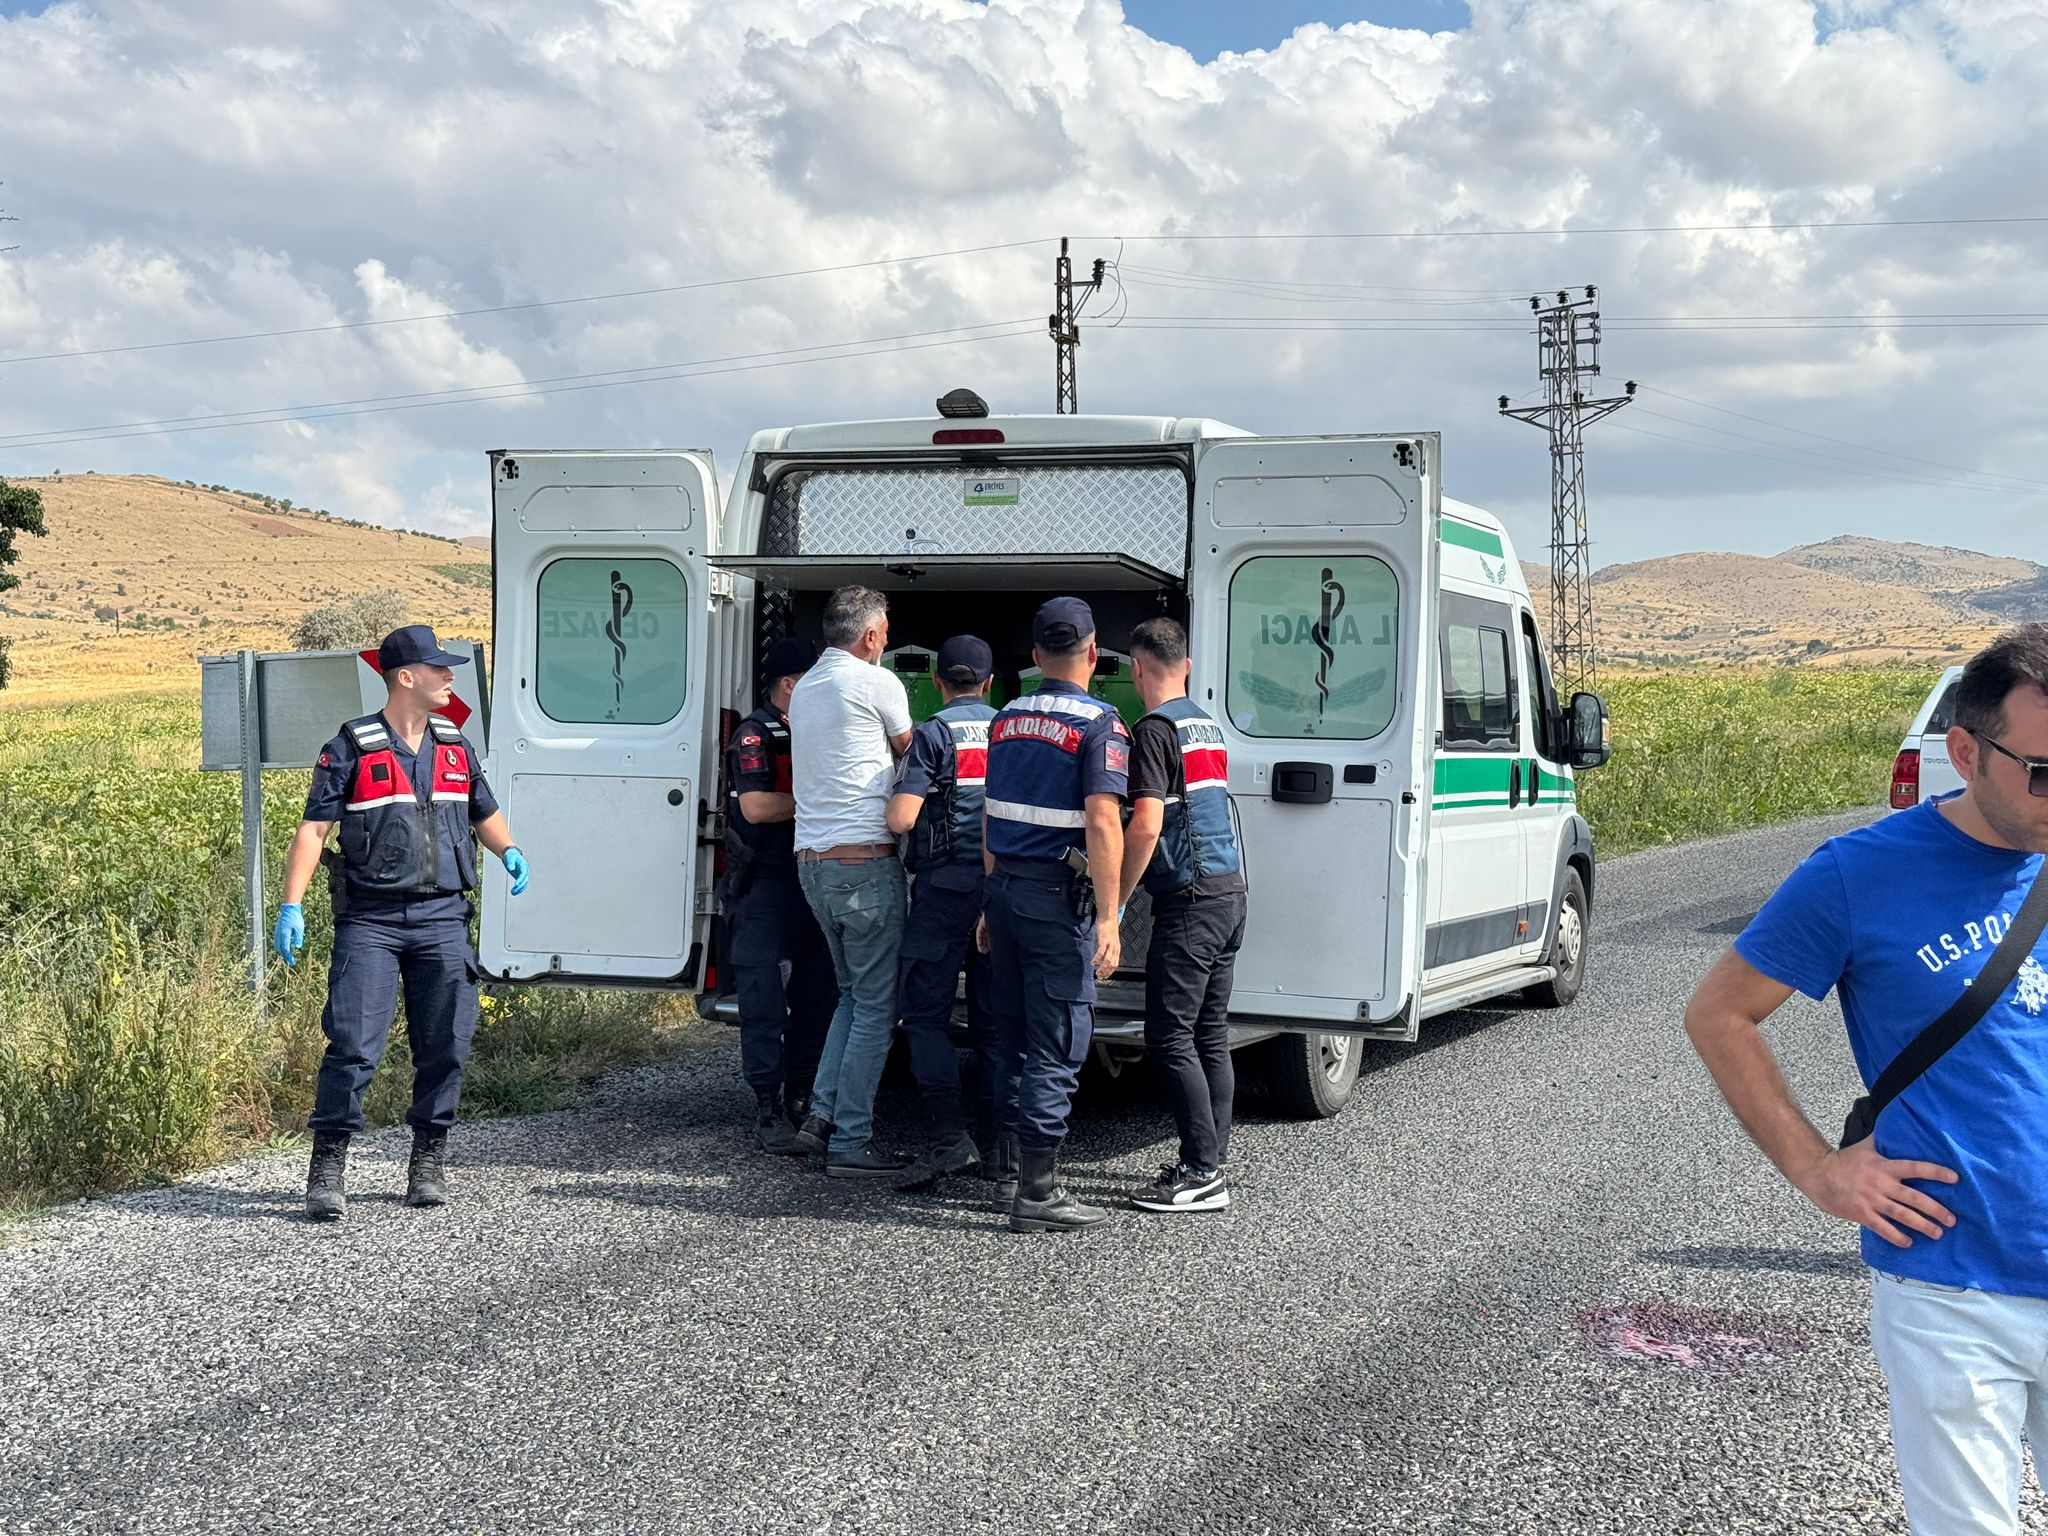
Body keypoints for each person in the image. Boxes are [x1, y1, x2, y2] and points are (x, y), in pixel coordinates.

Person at [1683, 623, 2048, 1535]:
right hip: (1955, 1289)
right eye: (2043, 771)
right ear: (1965, 751)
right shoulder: (1857, 875)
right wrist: (1819, 1170)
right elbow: (1720, 1013)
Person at [272, 625, 529, 1220]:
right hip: (371, 921)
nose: (450, 676)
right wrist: (291, 904)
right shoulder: (351, 747)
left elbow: (483, 813)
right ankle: (329, 1163)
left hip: (443, 916)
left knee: (446, 1046)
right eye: (439, 669)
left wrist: (509, 848)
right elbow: (314, 829)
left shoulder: (455, 744)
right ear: (405, 678)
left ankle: (428, 1160)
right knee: (354, 1046)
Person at [976, 596, 1128, 1233]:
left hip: (1005, 891)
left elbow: (991, 811)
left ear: (1035, 657)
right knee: (1059, 1038)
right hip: (1054, 903)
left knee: (1008, 1033)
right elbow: (1102, 820)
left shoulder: (1004, 718)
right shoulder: (1102, 724)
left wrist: (988, 901)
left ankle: (1008, 1166)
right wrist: (1112, 917)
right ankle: (1038, 1192)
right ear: (1093, 652)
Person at [1116, 616, 1246, 1214]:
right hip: (1230, 893)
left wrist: (1115, 903)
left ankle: (1200, 1173)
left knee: (1170, 1036)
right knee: (1209, 1034)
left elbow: (1145, 824)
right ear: (1186, 665)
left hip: (1190, 901)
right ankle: (1212, 1161)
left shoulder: (1154, 732)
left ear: (1137, 668)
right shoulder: (1203, 723)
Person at [787, 586, 914, 1179]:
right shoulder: (875, 682)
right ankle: (852, 1143)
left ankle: (820, 1120)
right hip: (863, 865)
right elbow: (915, 752)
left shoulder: (807, 686)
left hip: (813, 864)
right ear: (869, 636)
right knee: (875, 1008)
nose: (886, 642)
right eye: (885, 633)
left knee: (851, 995)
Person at [886, 634, 1002, 1193]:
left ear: (937, 682)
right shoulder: (1012, 729)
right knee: (996, 1020)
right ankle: (1003, 1153)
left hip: (942, 892)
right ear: (988, 682)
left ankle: (949, 1141)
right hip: (1001, 891)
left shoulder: (932, 735)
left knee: (926, 1015)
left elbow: (903, 819)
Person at [722, 636, 838, 1154]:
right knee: (765, 999)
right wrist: (819, 800)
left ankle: (803, 1092)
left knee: (819, 992)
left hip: (811, 881)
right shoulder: (755, 733)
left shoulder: (813, 728)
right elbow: (756, 809)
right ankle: (767, 1103)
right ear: (791, 684)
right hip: (765, 885)